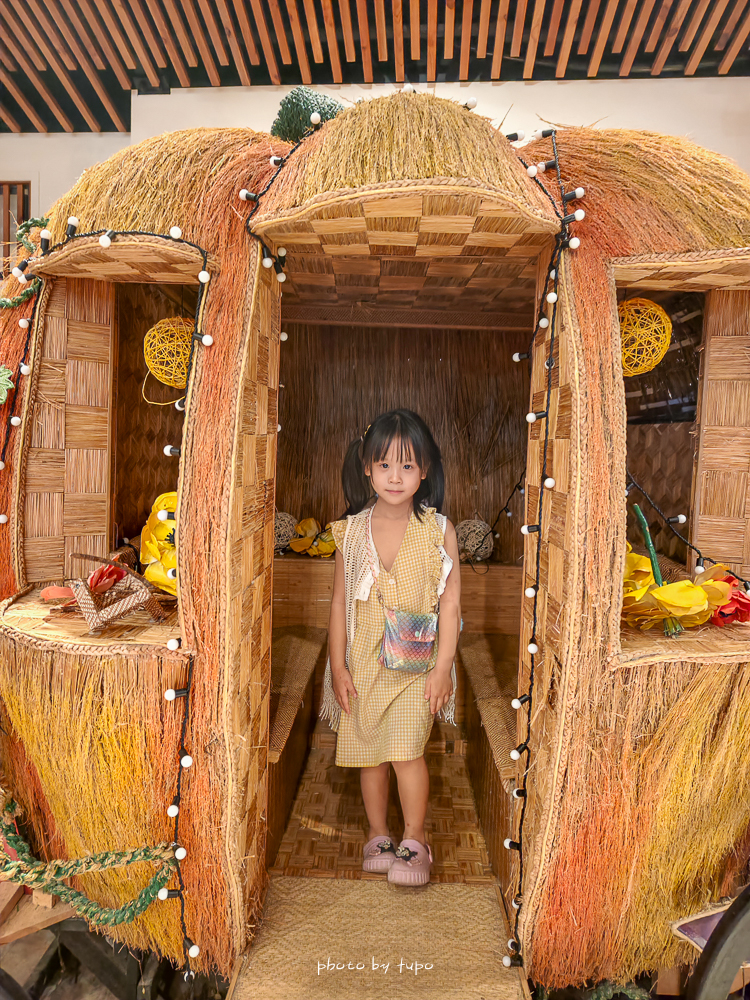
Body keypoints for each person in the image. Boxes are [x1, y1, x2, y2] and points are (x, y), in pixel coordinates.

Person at [320, 409, 461, 886]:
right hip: (363, 663)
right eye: (384, 465)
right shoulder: (351, 532)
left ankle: (415, 839)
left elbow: (451, 605)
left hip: (416, 665)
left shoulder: (439, 529)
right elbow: (340, 603)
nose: (395, 477)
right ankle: (378, 835)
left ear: (425, 470)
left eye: (407, 465)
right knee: (369, 753)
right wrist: (337, 667)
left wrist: (444, 668)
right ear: (366, 467)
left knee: (405, 752)